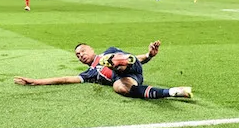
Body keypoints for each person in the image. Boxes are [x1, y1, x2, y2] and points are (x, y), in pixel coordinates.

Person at [14, 40, 192, 100]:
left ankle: (120, 61)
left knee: (112, 58)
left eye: (82, 51)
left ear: (90, 48)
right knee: (119, 88)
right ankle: (175, 92)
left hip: (130, 64)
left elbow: (140, 59)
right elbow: (66, 79)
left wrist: (149, 55)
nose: (81, 55)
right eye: (77, 55)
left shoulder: (107, 51)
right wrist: (35, 81)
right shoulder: (90, 74)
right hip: (129, 79)